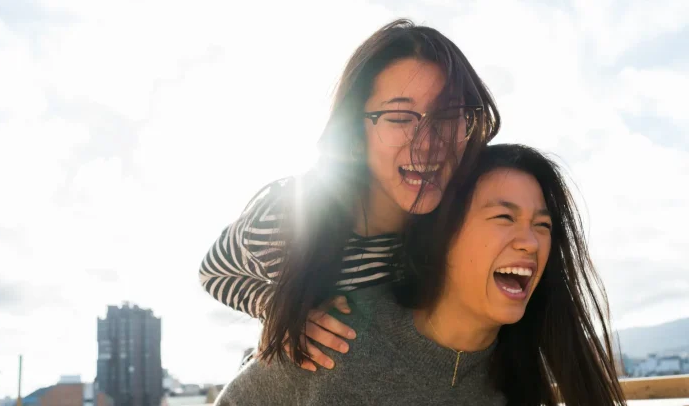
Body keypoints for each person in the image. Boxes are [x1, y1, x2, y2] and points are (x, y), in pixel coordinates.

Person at [214, 144, 627, 406]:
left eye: (543, 226)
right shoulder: (333, 337)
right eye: (504, 216)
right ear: (445, 234)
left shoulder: (520, 382)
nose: (531, 243)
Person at [199, 18, 500, 370]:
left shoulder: (466, 222)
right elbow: (214, 273)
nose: (429, 143)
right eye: (400, 117)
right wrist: (281, 311)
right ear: (356, 133)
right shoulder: (291, 214)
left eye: (448, 116)